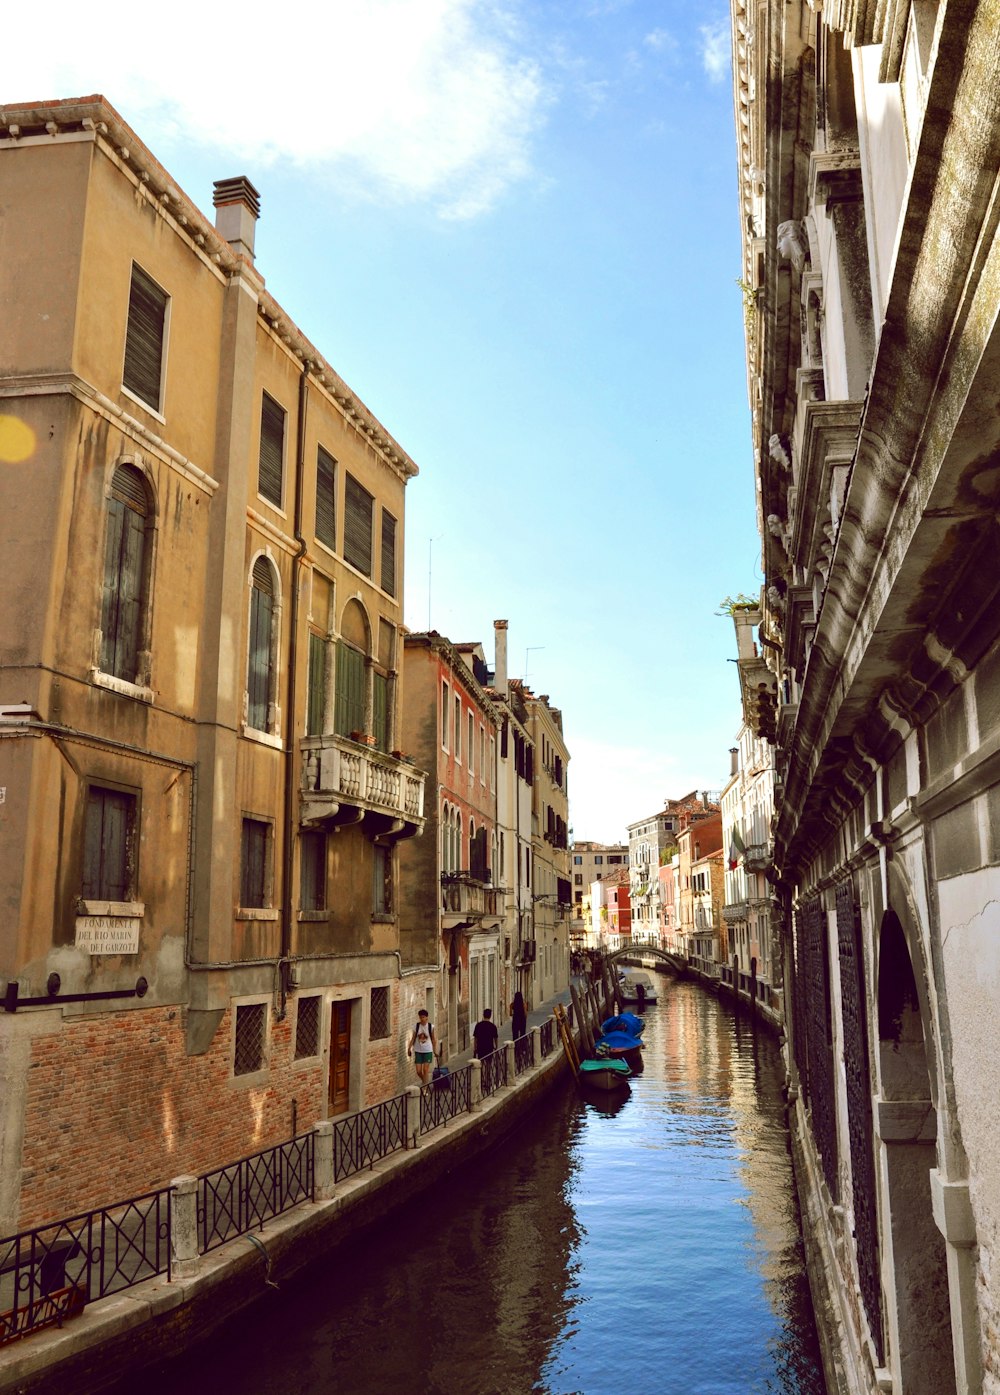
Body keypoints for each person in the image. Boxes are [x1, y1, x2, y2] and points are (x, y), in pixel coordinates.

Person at [407, 1008, 438, 1085]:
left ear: (427, 1017)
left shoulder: (431, 1026)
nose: (422, 1019)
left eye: (423, 1017)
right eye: (421, 1017)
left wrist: (434, 1050)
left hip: (428, 1050)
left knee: (425, 1070)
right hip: (418, 1050)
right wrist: (409, 1048)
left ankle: (425, 1087)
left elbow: (434, 1039)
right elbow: (413, 1038)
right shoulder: (416, 1026)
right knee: (418, 1071)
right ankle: (425, 1082)